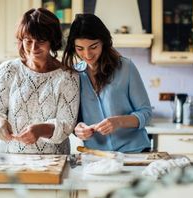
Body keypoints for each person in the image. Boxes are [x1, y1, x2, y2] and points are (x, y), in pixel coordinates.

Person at [0, 8, 79, 154]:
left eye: (41, 41)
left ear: (52, 40)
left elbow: (66, 125)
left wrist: (40, 130)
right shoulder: (8, 70)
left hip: (51, 162)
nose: (33, 47)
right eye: (28, 40)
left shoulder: (68, 76)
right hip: (7, 158)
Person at [62, 13, 152, 153]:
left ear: (103, 42)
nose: (87, 54)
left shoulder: (126, 67)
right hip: (97, 156)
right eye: (80, 48)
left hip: (135, 152)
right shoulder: (74, 75)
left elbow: (146, 113)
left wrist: (119, 121)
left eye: (93, 47)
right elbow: (75, 120)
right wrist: (78, 129)